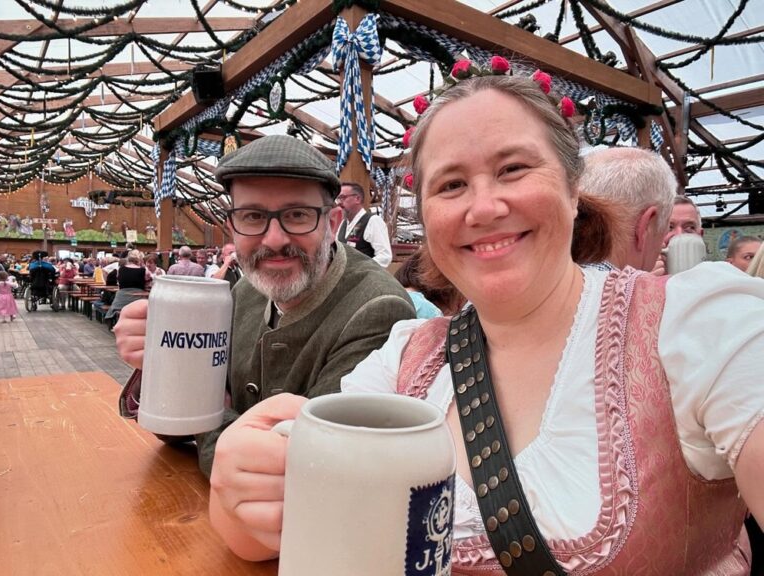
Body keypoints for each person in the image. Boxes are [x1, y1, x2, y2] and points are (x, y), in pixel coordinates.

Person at [208, 73, 764, 572]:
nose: (483, 207)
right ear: (426, 218)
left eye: (513, 169)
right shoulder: (406, 359)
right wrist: (240, 494)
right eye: (450, 185)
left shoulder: (697, 323)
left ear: (573, 188)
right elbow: (281, 531)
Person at [113, 134, 415, 479]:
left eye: (298, 215)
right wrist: (162, 362)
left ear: (332, 225)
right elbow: (174, 430)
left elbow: (293, 469)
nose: (274, 240)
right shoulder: (246, 290)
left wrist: (208, 404)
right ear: (232, 228)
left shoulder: (379, 308)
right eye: (253, 216)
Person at [578, 147, 676, 271]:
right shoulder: (628, 289)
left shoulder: (555, 279)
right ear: (645, 228)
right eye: (664, 231)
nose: (662, 246)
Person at [336, 182, 393, 267]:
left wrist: (360, 268)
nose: (339, 202)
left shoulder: (373, 221)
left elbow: (385, 257)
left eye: (343, 197)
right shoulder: (342, 224)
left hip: (365, 278)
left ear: (357, 199)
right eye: (338, 198)